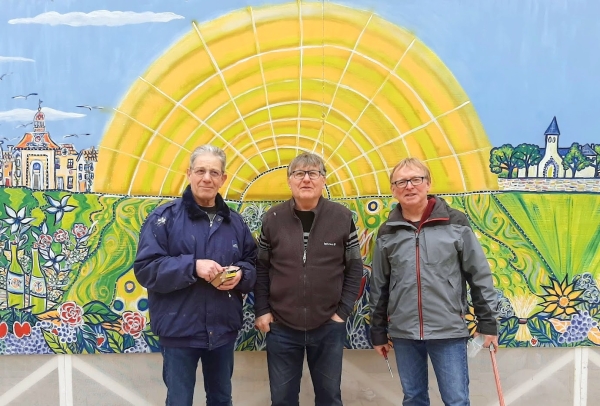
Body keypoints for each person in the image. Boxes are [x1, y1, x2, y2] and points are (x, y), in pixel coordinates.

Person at [369, 157, 499, 406]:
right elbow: (380, 285)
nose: (409, 186)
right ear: (393, 190)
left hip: (448, 329)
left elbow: (478, 275)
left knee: (456, 400)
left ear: (428, 184)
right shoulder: (387, 232)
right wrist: (378, 331)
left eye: (416, 179)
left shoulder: (456, 223)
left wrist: (488, 323)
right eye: (402, 181)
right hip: (404, 332)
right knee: (414, 398)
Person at [134, 145, 257, 406]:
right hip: (179, 331)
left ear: (223, 179)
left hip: (223, 331)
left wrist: (241, 275)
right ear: (188, 173)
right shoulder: (163, 218)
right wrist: (192, 267)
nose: (207, 178)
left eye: (214, 172)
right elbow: (146, 269)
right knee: (179, 401)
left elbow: (253, 264)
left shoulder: (235, 223)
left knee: (221, 399)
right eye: (200, 170)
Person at [254, 152, 363, 406]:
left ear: (323, 180)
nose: (306, 179)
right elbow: (261, 268)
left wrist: (342, 314)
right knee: (282, 400)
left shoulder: (342, 217)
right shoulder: (273, 218)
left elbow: (354, 268)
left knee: (329, 398)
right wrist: (262, 310)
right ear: (289, 181)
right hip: (281, 327)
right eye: (298, 173)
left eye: (313, 173)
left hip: (328, 326)